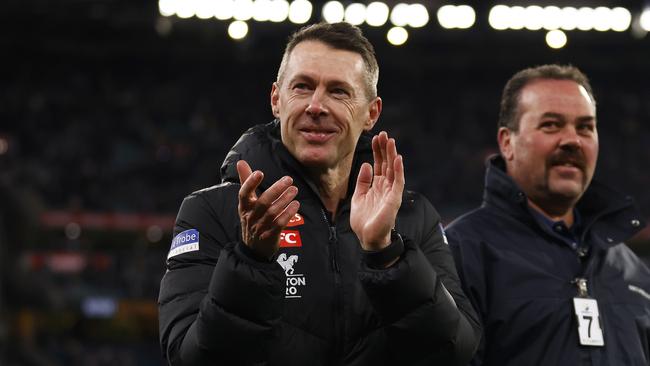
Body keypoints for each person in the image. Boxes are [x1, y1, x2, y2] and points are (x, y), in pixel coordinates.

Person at [158, 22, 480, 365]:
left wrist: (387, 257)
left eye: (338, 91)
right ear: (276, 99)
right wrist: (250, 261)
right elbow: (189, 358)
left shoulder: (412, 216)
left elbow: (455, 352)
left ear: (371, 113)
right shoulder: (211, 211)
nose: (316, 105)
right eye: (302, 86)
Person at [446, 64, 650, 365]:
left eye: (585, 127)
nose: (572, 140)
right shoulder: (461, 253)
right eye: (551, 125)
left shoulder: (632, 270)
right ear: (507, 142)